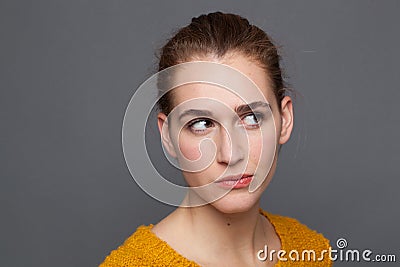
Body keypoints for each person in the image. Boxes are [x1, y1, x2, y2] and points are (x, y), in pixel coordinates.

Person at [100, 12, 332, 266]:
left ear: (284, 120)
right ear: (167, 136)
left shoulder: (311, 251)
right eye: (201, 124)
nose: (231, 154)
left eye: (252, 118)